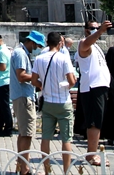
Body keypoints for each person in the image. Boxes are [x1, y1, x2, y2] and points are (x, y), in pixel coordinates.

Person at [32, 31, 76, 174]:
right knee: (66, 139)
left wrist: (43, 85)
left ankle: (46, 170)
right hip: (63, 101)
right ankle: (66, 170)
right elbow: (71, 80)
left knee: (46, 137)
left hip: (48, 101)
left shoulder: (39, 58)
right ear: (60, 43)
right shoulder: (63, 58)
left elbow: (34, 80)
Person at [75, 20, 112, 165]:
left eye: (97, 28)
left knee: (98, 121)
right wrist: (100, 31)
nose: (95, 30)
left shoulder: (96, 46)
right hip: (92, 88)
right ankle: (91, 155)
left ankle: (93, 152)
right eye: (92, 28)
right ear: (86, 30)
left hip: (100, 87)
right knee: (94, 123)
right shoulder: (84, 43)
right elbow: (85, 45)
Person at [10, 30, 44, 175]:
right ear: (31, 42)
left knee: (23, 133)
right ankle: (24, 169)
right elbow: (21, 76)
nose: (37, 48)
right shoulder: (21, 54)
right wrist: (37, 78)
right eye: (36, 45)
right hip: (23, 96)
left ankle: (22, 165)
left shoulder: (21, 52)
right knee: (27, 134)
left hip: (22, 95)